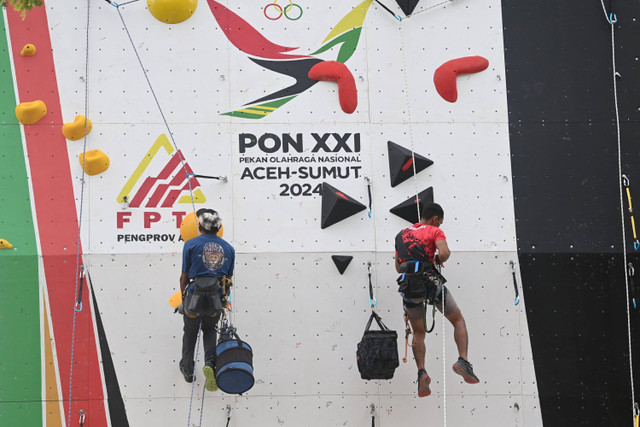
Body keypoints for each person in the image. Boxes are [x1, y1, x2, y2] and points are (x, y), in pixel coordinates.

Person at [394, 202, 479, 397]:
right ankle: (463, 361)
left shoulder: (401, 235)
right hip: (431, 285)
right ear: (435, 219)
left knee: (419, 333)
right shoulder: (434, 231)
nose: (439, 226)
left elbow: (398, 268)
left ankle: (422, 371)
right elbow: (445, 253)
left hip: (409, 289)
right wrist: (437, 260)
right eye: (440, 222)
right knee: (457, 319)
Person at [179, 208, 235, 392]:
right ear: (218, 229)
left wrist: (183, 299)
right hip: (215, 298)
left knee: (190, 331)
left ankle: (187, 369)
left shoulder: (190, 244)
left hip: (194, 295)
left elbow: (184, 277)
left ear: (200, 227)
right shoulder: (229, 248)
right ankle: (210, 363)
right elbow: (228, 279)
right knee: (210, 329)